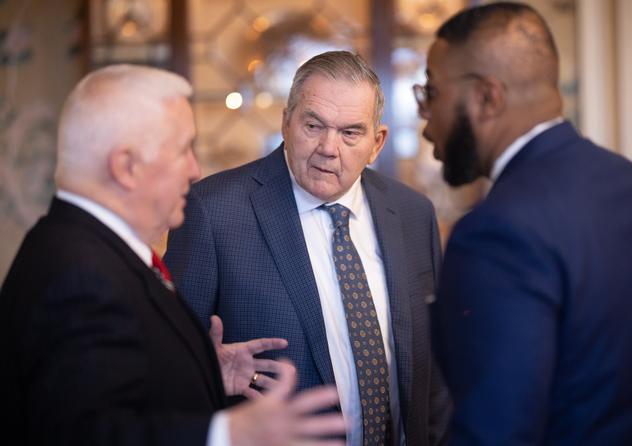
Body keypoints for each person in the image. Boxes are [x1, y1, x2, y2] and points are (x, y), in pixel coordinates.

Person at [0, 64, 347, 446]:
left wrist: (202, 372)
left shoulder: (88, 248)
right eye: (183, 150)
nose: (195, 170)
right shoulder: (78, 274)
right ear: (126, 167)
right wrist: (227, 432)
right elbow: (80, 434)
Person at [165, 51, 450, 445]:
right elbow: (167, 370)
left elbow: (433, 369)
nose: (328, 148)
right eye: (313, 125)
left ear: (377, 142)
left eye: (351, 133)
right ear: (286, 122)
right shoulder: (213, 212)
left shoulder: (413, 214)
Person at [418, 2, 632, 445]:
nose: (425, 120)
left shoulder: (495, 234)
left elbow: (496, 434)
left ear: (486, 98)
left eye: (431, 94)